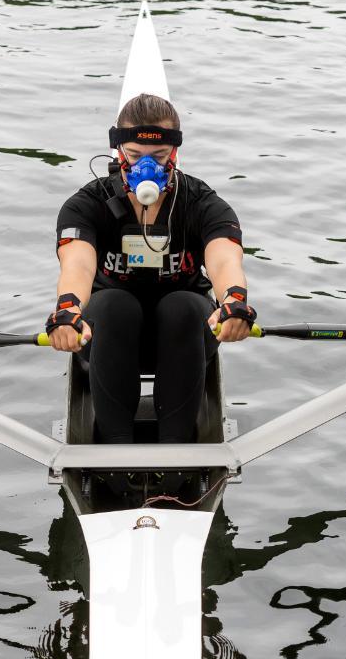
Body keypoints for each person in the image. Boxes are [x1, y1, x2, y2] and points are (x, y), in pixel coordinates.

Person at [45, 93, 255, 445]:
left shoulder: (202, 202)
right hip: (103, 336)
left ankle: (177, 455)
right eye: (134, 155)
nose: (148, 166)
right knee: (114, 305)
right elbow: (78, 263)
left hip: (185, 337)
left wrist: (234, 299)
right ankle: (115, 457)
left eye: (158, 156)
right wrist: (67, 308)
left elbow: (224, 258)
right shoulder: (86, 204)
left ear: (174, 154)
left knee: (182, 306)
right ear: (117, 153)